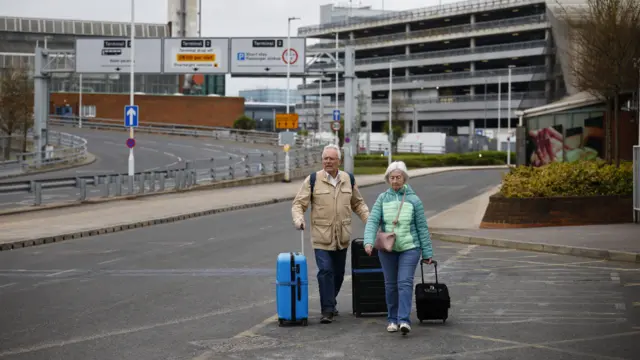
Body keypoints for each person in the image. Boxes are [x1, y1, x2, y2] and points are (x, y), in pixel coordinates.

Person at [291, 144, 370, 324]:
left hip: (342, 237)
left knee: (339, 273)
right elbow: (298, 204)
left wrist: (370, 221)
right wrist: (298, 219)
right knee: (325, 270)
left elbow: (358, 204)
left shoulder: (347, 179)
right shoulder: (312, 180)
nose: (327, 161)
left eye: (331, 158)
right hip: (321, 236)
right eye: (325, 158)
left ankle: (330, 301)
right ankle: (327, 309)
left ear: (339, 161)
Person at [363, 161, 433, 335]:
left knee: (404, 283)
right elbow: (372, 222)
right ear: (388, 179)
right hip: (388, 249)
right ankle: (392, 319)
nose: (395, 181)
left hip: (410, 247)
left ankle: (404, 320)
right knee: (390, 285)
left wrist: (427, 252)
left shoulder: (414, 200)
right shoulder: (382, 198)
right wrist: (368, 242)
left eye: (398, 177)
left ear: (404, 178)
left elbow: (422, 227)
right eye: (392, 178)